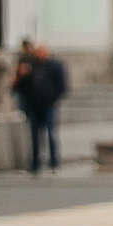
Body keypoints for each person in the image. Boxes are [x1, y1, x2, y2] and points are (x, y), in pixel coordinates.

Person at [17, 41, 69, 174]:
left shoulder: (55, 66)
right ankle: (35, 163)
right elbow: (20, 87)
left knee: (51, 133)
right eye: (39, 52)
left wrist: (52, 99)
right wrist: (22, 75)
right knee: (34, 135)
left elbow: (62, 86)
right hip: (34, 105)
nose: (41, 55)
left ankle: (54, 162)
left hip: (48, 105)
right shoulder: (31, 66)